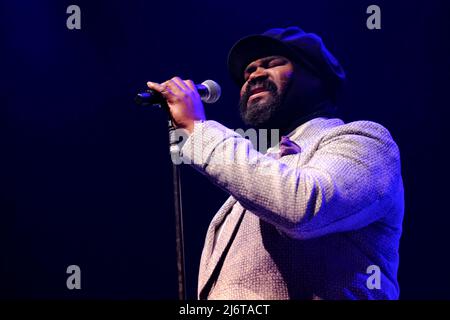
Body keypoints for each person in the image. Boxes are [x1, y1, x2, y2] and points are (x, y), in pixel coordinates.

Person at [146, 26, 404, 300]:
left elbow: (302, 207)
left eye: (272, 63)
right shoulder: (256, 172)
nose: (254, 74)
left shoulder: (366, 141)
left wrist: (198, 130)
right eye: (248, 72)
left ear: (315, 76)